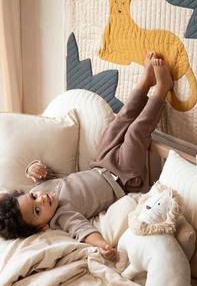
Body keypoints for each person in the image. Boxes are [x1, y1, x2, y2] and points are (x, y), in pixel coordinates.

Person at [0, 53, 173, 261]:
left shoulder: (41, 191)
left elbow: (48, 176)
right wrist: (101, 244)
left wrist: (34, 168)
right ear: (43, 226)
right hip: (124, 178)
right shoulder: (63, 216)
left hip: (101, 164)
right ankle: (162, 89)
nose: (42, 199)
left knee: (115, 127)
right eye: (37, 210)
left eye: (33, 197)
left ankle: (145, 83)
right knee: (135, 133)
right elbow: (82, 230)